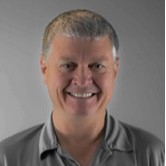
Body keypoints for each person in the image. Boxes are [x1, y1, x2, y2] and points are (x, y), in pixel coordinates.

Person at [0, 9, 164, 166]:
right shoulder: (7, 158)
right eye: (68, 65)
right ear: (44, 69)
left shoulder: (153, 155)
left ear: (115, 70)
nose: (83, 80)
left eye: (97, 66)